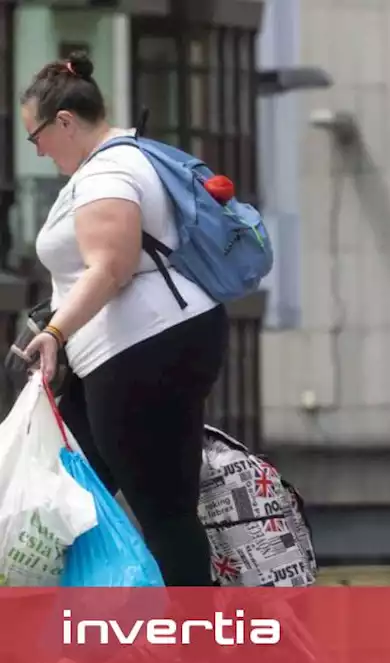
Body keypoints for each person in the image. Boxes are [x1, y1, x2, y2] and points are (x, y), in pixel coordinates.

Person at [18, 52, 227, 587]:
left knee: (163, 510)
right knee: (63, 502)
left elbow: (111, 265)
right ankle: (75, 638)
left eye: (35, 136)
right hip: (124, 353)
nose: (37, 150)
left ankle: (193, 649)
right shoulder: (112, 165)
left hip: (141, 350)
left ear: (64, 122)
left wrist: (54, 332)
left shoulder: (109, 171)